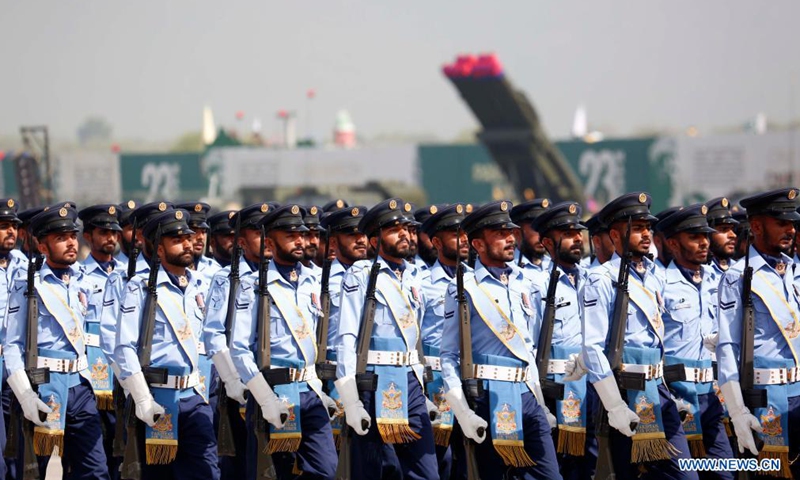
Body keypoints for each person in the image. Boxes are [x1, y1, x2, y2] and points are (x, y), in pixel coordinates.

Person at [566, 192, 697, 480]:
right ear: (615, 235)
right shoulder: (602, 279)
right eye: (637, 228)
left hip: (659, 390)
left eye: (648, 227)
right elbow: (593, 347)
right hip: (625, 391)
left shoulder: (653, 275)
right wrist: (614, 405)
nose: (646, 234)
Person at [439, 200, 562, 480]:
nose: (510, 239)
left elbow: (528, 347)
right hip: (486, 396)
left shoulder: (525, 283)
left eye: (510, 232)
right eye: (499, 234)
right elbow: (449, 355)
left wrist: (540, 401)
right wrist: (462, 411)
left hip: (527, 394)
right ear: (478, 244)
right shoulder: (463, 287)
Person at [229, 204, 337, 480]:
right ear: (269, 242)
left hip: (310, 391)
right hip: (273, 390)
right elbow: (239, 349)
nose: (300, 241)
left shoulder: (313, 281)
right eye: (290, 235)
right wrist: (264, 398)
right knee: (272, 473)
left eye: (301, 234)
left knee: (326, 469)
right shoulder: (254, 285)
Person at [334, 198, 439, 479]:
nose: (404, 234)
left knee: (426, 472)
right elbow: (346, 337)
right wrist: (351, 400)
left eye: (407, 229)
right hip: (373, 380)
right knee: (375, 470)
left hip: (411, 381)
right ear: (374, 240)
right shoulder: (361, 274)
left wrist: (423, 388)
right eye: (394, 229)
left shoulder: (415, 275)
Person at [5, 205, 110, 479]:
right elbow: (13, 346)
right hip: (43, 385)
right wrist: (26, 395)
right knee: (37, 471)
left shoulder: (83, 281)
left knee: (95, 469)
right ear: (42, 247)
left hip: (81, 385)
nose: (71, 243)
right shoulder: (28, 285)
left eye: (73, 236)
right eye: (61, 238)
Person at [114, 208, 219, 479]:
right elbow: (124, 347)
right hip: (157, 397)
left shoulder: (200, 285)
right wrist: (141, 398)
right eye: (176, 240)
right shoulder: (140, 286)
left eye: (188, 238)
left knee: (207, 472)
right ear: (159, 249)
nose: (187, 244)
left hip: (194, 397)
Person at [717, 188, 800, 479]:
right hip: (765, 397)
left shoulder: (794, 271)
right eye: (781, 223)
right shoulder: (738, 276)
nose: (791, 229)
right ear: (757, 226)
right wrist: (737, 411)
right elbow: (728, 347)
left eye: (792, 223)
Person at [656, 204, 734, 479]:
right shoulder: (660, 283)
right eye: (694, 237)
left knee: (725, 473)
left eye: (705, 235)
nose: (704, 242)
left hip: (711, 394)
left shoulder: (719, 280)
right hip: (675, 396)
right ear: (673, 243)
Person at [203, 202, 274, 480]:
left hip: (278, 381)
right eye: (259, 233)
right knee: (240, 464)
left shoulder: (281, 276)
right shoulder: (228, 278)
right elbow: (214, 333)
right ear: (242, 242)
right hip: (239, 386)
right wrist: (233, 381)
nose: (267, 238)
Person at [530, 201, 593, 480]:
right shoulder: (537, 285)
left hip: (592, 386)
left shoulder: (592, 279)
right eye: (568, 234)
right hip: (555, 388)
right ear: (547, 242)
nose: (578, 238)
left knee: (591, 465)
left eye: (578, 232)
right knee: (560, 464)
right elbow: (531, 343)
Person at [419, 203, 471, 480]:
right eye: (455, 234)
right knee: (443, 458)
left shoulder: (478, 281)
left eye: (465, 233)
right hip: (437, 381)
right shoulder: (422, 282)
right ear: (437, 242)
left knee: (470, 458)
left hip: (473, 378)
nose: (464, 239)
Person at [78, 204, 124, 477]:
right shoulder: (78, 276)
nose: (111, 238)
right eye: (104, 232)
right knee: (95, 444)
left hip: (122, 369)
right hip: (92, 371)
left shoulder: (128, 275)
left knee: (122, 444)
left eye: (114, 232)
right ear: (88, 236)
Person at [0, 199, 27, 478]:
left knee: (19, 439)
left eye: (14, 226)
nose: (11, 231)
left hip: (16, 362)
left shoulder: (24, 264)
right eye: (3, 226)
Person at [176, 202, 219, 278]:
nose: (201, 237)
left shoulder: (215, 269)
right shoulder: (169, 267)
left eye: (203, 231)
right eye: (194, 231)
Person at [510, 198, 552, 274]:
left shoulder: (554, 266)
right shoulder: (508, 269)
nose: (543, 235)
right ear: (517, 233)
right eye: (536, 229)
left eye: (545, 229)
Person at [705, 198, 739, 275]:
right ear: (708, 234)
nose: (733, 235)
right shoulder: (701, 272)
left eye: (732, 229)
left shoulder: (740, 269)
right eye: (724, 229)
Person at [114, 200, 138, 266]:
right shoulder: (113, 268)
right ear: (118, 236)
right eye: (132, 229)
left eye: (140, 228)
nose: (138, 233)